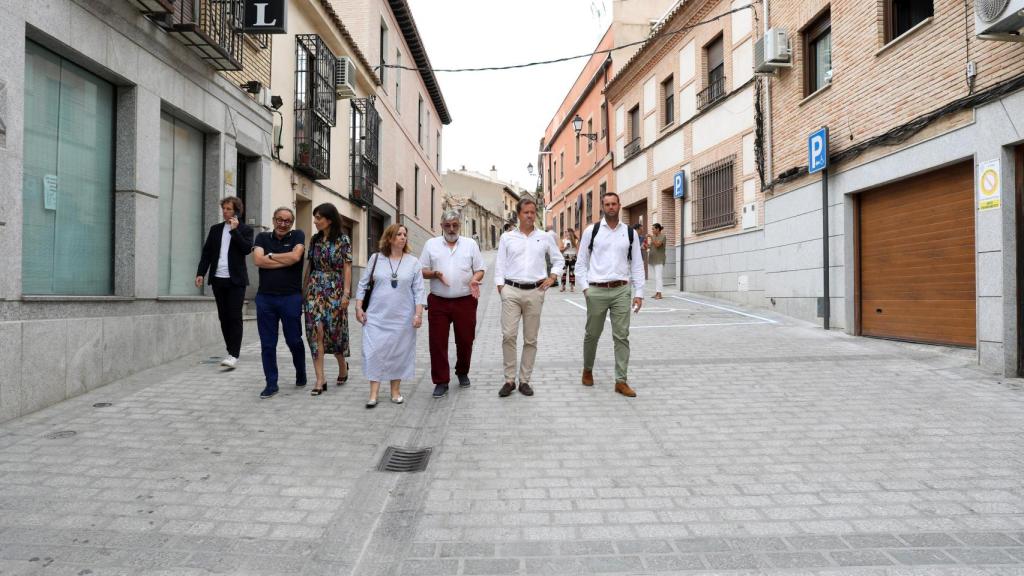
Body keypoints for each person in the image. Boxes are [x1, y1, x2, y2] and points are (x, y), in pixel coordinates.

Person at [493, 197, 564, 398]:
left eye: (533, 212)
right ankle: (509, 380)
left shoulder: (545, 236)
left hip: (535, 291)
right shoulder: (507, 237)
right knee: (508, 335)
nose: (530, 216)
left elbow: (558, 260)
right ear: (519, 214)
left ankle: (524, 380)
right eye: (526, 212)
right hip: (511, 291)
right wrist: (501, 287)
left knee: (530, 339)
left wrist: (552, 277)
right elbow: (500, 264)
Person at [576, 192, 645, 397]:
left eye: (614, 204)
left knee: (622, 336)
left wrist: (639, 292)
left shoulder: (629, 233)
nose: (611, 207)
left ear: (619, 206)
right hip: (596, 289)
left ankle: (621, 380)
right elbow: (581, 263)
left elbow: (637, 264)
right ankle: (587, 369)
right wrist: (586, 289)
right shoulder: (592, 231)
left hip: (621, 290)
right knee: (592, 334)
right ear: (602, 207)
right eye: (607, 204)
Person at [355, 224, 425, 408]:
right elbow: (362, 284)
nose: (403, 237)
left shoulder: (413, 262)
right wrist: (358, 307)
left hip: (402, 318)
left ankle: (395, 391)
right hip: (376, 316)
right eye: (399, 234)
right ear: (389, 238)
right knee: (374, 352)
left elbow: (419, 291)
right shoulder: (376, 259)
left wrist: (418, 315)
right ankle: (373, 394)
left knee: (398, 353)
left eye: (405, 234)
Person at [420, 211, 485, 398]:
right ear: (441, 225)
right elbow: (422, 270)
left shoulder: (470, 245)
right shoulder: (431, 244)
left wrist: (474, 279)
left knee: (465, 340)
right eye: (447, 225)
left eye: (455, 225)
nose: (451, 229)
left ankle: (462, 371)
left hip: (465, 300)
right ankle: (441, 381)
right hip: (438, 301)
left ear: (459, 226)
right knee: (437, 342)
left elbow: (480, 268)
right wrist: (435, 274)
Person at [252, 207, 307, 399]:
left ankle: (301, 371)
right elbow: (257, 260)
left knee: (294, 340)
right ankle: (271, 383)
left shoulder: (298, 235)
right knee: (268, 344)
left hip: (290, 297)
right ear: (273, 220)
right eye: (279, 220)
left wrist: (271, 257)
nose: (282, 224)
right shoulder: (262, 238)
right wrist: (284, 259)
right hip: (265, 298)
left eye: (287, 221)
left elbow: (295, 257)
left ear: (291, 223)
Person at [195, 196, 254, 369]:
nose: (225, 211)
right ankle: (230, 350)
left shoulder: (245, 229)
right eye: (224, 208)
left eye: (229, 209)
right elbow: (206, 253)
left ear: (236, 210)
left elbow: (246, 249)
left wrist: (235, 230)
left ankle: (234, 354)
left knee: (235, 316)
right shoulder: (215, 229)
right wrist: (201, 273)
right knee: (224, 317)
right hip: (218, 278)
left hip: (236, 280)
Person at [304, 203, 352, 396]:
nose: (315, 221)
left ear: (329, 219)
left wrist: (347, 293)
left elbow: (347, 267)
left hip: (335, 289)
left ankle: (343, 367)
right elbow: (310, 267)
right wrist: (304, 290)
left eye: (318, 218)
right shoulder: (314, 240)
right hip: (314, 289)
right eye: (314, 218)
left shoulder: (343, 239)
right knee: (316, 332)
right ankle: (320, 379)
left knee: (334, 332)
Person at [649, 223, 667, 300]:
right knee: (655, 277)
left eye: (653, 229)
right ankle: (657, 292)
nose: (652, 231)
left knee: (658, 277)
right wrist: (645, 245)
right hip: (652, 259)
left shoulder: (662, 236)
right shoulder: (653, 237)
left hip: (659, 259)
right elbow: (651, 246)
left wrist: (651, 237)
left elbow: (657, 245)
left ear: (658, 229)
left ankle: (659, 294)